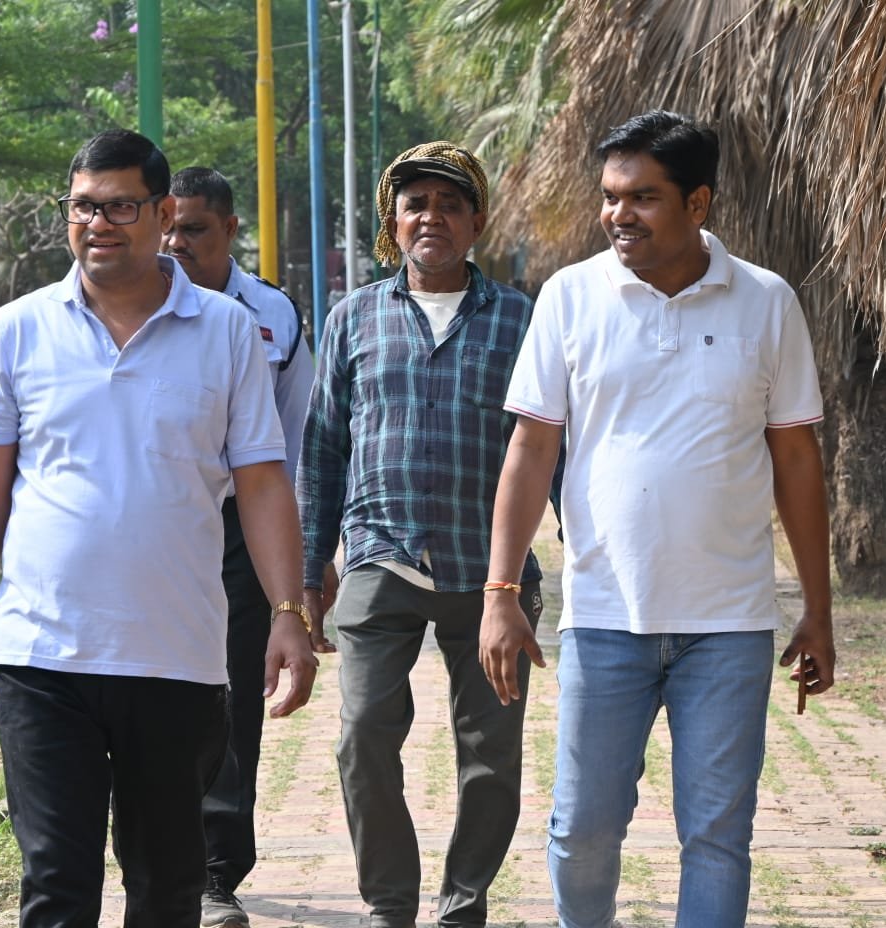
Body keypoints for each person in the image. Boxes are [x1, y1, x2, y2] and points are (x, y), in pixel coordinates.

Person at [0, 129, 318, 928]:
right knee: (56, 888)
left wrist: (288, 613)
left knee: (167, 889)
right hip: (42, 658)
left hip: (176, 660)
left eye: (119, 208)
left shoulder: (227, 331)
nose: (96, 224)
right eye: (81, 208)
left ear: (163, 214)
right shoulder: (18, 328)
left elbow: (261, 481)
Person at [479, 110, 835, 928]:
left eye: (642, 197)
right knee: (582, 830)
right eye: (610, 196)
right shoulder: (570, 296)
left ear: (697, 203)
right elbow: (531, 449)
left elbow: (796, 461)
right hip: (605, 616)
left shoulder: (766, 302)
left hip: (730, 625)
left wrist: (817, 611)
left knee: (716, 835)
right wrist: (501, 592)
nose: (618, 214)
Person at [298, 141, 548, 928]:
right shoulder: (353, 318)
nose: (431, 217)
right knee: (362, 736)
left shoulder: (522, 320)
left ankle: (463, 904)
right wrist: (310, 569)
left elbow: (551, 447)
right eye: (415, 205)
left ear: (476, 222)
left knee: (491, 754)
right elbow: (322, 448)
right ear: (393, 223)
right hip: (381, 558)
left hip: (492, 572)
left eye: (449, 204)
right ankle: (389, 905)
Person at [161, 166, 316, 928]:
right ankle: (160, 855)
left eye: (193, 229)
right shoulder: (137, 301)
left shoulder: (274, 315)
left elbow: (297, 440)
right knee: (155, 690)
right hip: (161, 521)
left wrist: (300, 567)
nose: (175, 242)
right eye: (168, 226)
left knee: (232, 694)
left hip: (241, 526)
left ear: (229, 230)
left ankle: (216, 871)